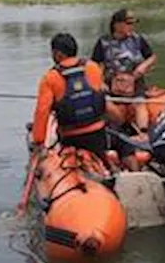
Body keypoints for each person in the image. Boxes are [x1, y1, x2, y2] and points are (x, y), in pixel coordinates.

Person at [29, 33, 132, 171]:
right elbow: (101, 99)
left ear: (57, 54)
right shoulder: (93, 68)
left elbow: (42, 112)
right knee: (123, 145)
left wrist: (38, 143)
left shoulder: (50, 78)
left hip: (71, 138)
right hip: (97, 136)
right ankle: (119, 170)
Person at [91, 8, 157, 134]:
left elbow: (152, 57)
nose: (131, 27)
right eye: (128, 24)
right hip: (112, 82)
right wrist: (100, 81)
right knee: (107, 103)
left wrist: (143, 67)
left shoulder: (138, 39)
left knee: (140, 103)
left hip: (134, 80)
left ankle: (143, 132)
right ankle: (116, 128)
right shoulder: (103, 42)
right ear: (117, 25)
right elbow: (95, 64)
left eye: (133, 24)